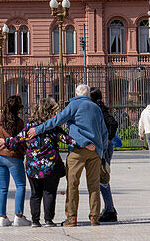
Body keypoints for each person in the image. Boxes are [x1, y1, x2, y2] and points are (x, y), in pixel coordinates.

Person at [28, 84, 108, 227]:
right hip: (95, 151)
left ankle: (71, 218)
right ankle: (94, 216)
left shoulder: (74, 105)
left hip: (77, 150)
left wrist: (38, 129)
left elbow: (56, 120)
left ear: (76, 94)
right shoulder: (96, 108)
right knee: (94, 185)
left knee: (73, 184)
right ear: (88, 95)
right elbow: (104, 131)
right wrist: (101, 151)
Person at [3, 96, 69, 227]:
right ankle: (49, 220)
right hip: (51, 165)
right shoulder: (53, 128)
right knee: (49, 192)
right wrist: (85, 142)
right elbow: (67, 140)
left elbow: (13, 142)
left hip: (32, 165)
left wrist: (4, 141)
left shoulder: (29, 128)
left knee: (35, 193)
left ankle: (35, 220)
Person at [0, 95, 30, 226]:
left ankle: (2, 217)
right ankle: (18, 216)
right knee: (20, 186)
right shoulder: (18, 122)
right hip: (13, 157)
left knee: (2, 187)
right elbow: (21, 141)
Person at [89, 90, 119, 222]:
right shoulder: (98, 108)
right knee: (102, 178)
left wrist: (108, 139)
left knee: (102, 178)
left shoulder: (98, 109)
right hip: (103, 145)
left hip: (104, 147)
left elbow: (112, 123)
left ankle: (110, 210)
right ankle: (109, 207)